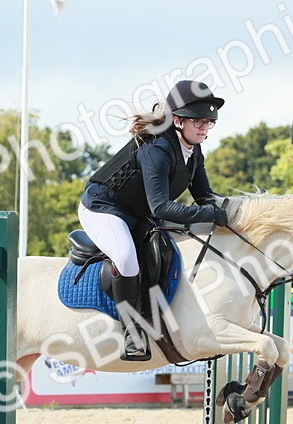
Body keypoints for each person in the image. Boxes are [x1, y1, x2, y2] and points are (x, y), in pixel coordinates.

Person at [79, 79, 229, 360]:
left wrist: (232, 212)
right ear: (178, 121)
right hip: (104, 206)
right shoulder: (158, 148)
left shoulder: (194, 150)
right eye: (198, 121)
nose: (204, 127)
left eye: (209, 122)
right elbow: (160, 207)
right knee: (126, 258)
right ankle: (132, 333)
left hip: (138, 211)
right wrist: (209, 214)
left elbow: (204, 196)